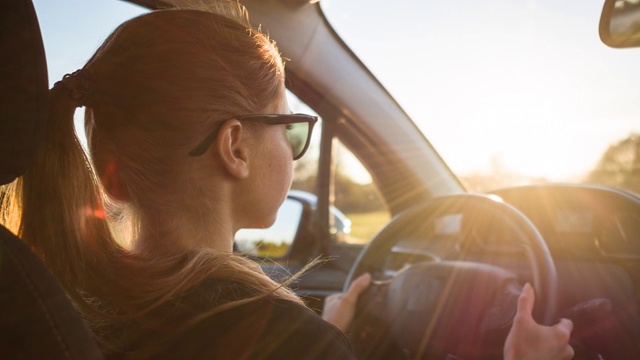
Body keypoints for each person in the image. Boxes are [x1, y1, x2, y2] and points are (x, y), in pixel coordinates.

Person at [0, 3, 573, 359]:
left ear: (111, 177)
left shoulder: (48, 307)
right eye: (291, 127)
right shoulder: (281, 342)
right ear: (235, 146)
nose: (296, 151)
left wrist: (329, 334)